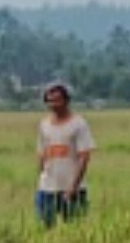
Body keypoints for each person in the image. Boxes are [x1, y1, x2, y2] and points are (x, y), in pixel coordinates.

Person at [32, 80, 96, 225]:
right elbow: (42, 154)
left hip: (73, 189)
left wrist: (73, 187)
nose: (53, 104)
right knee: (45, 227)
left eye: (57, 100)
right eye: (49, 101)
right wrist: (42, 176)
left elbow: (84, 157)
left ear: (66, 101)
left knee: (75, 227)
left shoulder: (79, 124)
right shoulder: (44, 125)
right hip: (47, 188)